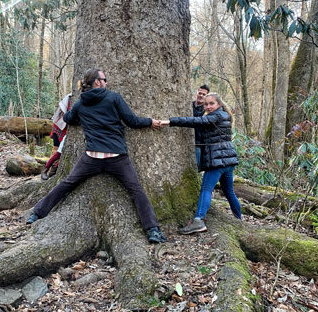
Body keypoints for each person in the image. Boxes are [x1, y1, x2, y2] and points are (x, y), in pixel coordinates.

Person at [27, 68, 167, 244]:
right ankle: (153, 230)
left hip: (92, 157)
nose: (106, 82)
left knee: (68, 183)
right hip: (116, 157)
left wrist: (83, 119)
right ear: (97, 82)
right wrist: (150, 122)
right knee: (136, 190)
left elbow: (69, 118)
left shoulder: (80, 103)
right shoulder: (113, 98)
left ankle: (37, 213)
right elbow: (132, 121)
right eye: (104, 79)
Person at [161, 93, 241, 234]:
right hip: (227, 159)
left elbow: (194, 122)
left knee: (206, 189)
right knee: (229, 192)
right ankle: (239, 221)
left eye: (211, 104)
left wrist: (170, 121)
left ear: (219, 104)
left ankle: (198, 221)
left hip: (218, 160)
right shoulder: (223, 116)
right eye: (206, 104)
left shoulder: (215, 116)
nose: (208, 106)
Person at [41, 94, 72, 180]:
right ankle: (47, 170)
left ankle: (53, 171)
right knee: (56, 152)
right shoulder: (69, 99)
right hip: (58, 130)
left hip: (67, 132)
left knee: (64, 154)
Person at [192, 85, 209, 170]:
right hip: (183, 140)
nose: (201, 95)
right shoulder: (188, 106)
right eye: (200, 93)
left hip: (198, 143)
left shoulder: (207, 110)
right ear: (196, 93)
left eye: (204, 94)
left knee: (196, 166)